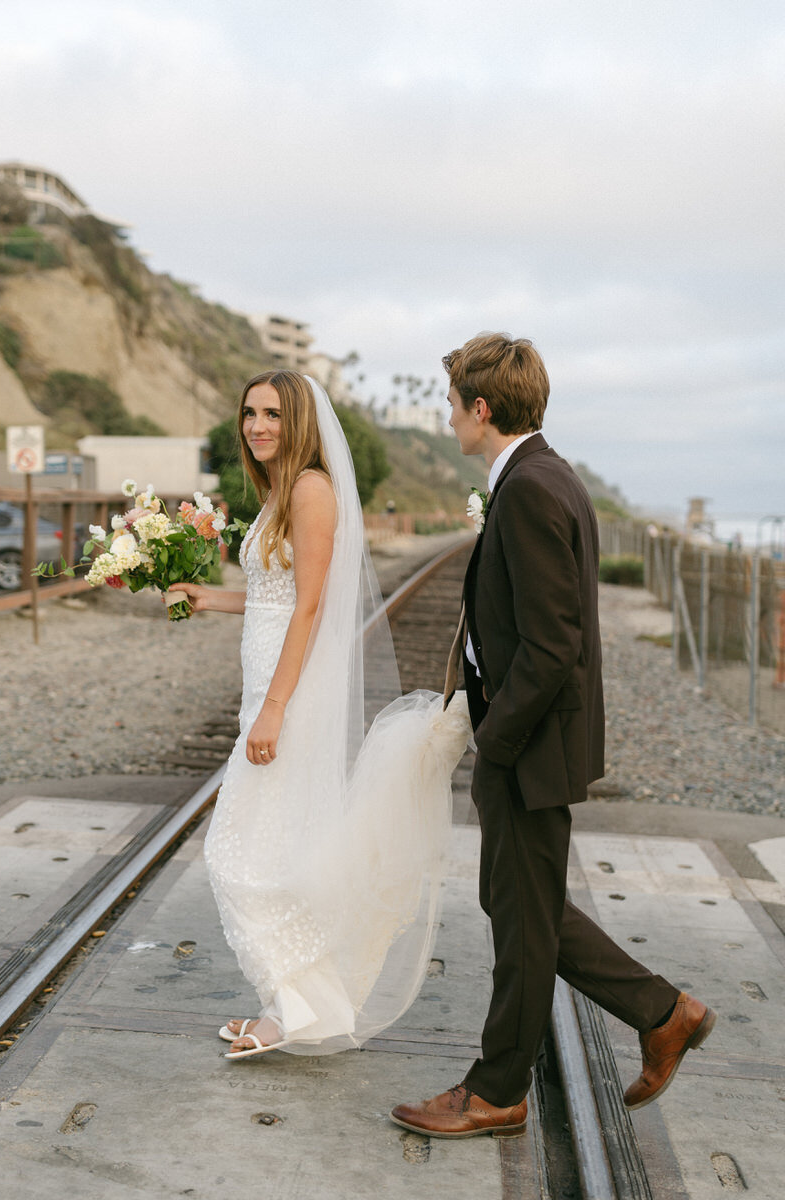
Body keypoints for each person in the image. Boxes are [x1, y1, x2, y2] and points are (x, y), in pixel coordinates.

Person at [390, 333, 716, 1139]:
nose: (451, 420)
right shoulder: (540, 475)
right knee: (520, 906)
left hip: (526, 744)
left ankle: (500, 1090)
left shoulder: (531, 487)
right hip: (527, 739)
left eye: (454, 405)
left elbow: (552, 640)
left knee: (521, 916)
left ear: (482, 407)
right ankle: (663, 1012)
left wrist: (495, 741)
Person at [171, 370, 470, 1059]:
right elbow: (278, 596)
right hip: (270, 686)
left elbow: (310, 607)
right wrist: (209, 598)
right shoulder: (282, 489)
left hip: (292, 692)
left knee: (241, 850)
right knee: (274, 844)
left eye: (272, 413)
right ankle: (299, 1006)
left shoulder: (309, 489)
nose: (256, 425)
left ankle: (298, 1006)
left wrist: (274, 710)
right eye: (248, 412)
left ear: (299, 419)